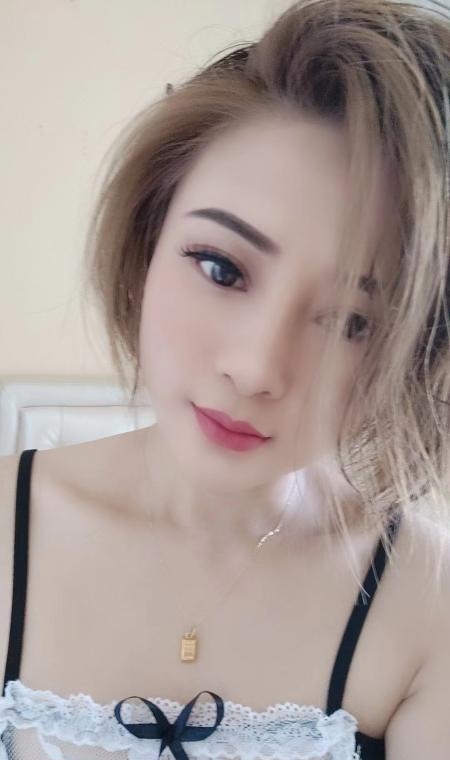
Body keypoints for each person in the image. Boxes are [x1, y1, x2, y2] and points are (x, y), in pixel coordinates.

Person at [0, 0, 449, 758]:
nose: (256, 368)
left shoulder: (425, 602)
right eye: (220, 267)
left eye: (351, 322)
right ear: (146, 241)